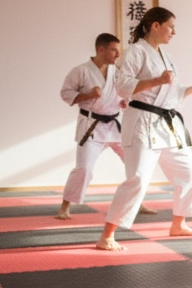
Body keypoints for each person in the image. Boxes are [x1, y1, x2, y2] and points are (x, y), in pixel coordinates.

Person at [96, 8, 192, 251]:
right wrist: (157, 80)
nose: (174, 32)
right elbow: (122, 85)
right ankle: (107, 235)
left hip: (166, 124)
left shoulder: (167, 57)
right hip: (141, 123)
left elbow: (172, 94)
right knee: (137, 179)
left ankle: (178, 224)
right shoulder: (135, 52)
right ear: (155, 25)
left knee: (190, 174)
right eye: (170, 26)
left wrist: (191, 89)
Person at [56, 33, 154, 220]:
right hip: (91, 127)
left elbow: (124, 91)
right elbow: (66, 93)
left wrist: (123, 101)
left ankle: (137, 203)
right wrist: (88, 95)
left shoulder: (116, 71)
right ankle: (64, 207)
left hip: (115, 126)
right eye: (114, 50)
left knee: (135, 164)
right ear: (101, 49)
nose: (118, 55)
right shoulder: (80, 71)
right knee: (84, 168)